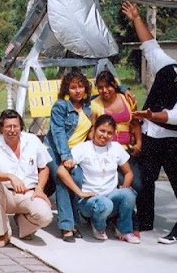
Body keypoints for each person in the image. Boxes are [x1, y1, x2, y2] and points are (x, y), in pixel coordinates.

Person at [122, 1, 177, 243]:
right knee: (145, 182)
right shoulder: (167, 68)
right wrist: (137, 17)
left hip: (174, 141)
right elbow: (150, 46)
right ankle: (146, 221)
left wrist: (149, 115)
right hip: (150, 137)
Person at [56, 115, 140, 244]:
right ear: (94, 130)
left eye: (109, 133)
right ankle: (99, 227)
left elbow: (128, 172)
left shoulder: (116, 147)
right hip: (90, 200)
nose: (105, 135)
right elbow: (62, 171)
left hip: (111, 195)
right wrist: (80, 193)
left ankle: (124, 230)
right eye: (102, 130)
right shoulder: (83, 148)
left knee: (128, 194)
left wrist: (124, 187)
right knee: (104, 204)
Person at [0, 109, 54, 247]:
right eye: (8, 126)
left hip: (29, 193)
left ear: (21, 127)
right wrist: (10, 177)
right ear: (1, 128)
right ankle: (3, 233)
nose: (12, 130)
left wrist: (40, 189)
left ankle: (23, 223)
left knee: (46, 216)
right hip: (6, 194)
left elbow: (44, 167)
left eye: (15, 126)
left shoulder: (32, 140)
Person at [90, 70, 142, 235]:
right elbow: (92, 130)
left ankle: (122, 218)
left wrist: (139, 142)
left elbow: (135, 123)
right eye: (100, 88)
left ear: (115, 85)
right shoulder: (95, 104)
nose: (104, 91)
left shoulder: (126, 99)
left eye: (108, 86)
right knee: (117, 184)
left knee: (137, 183)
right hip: (107, 151)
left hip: (126, 150)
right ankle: (128, 223)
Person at [44, 71, 93, 242]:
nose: (78, 91)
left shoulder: (88, 106)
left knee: (77, 178)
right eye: (73, 87)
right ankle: (67, 226)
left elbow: (109, 90)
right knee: (63, 179)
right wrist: (65, 157)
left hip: (75, 154)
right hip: (54, 149)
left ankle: (74, 221)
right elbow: (58, 133)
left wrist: (124, 89)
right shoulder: (61, 106)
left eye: (80, 86)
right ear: (67, 89)